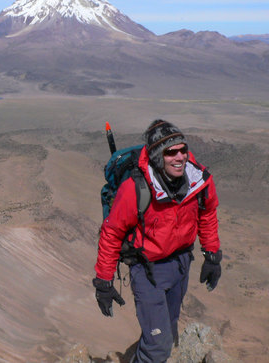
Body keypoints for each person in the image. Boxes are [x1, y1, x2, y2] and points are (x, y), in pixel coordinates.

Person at [93, 119, 222, 363]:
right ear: (156, 156)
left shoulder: (198, 180)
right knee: (158, 347)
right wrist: (103, 282)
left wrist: (212, 254)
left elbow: (207, 213)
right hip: (147, 271)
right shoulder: (135, 188)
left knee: (167, 331)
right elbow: (112, 233)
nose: (180, 156)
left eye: (183, 149)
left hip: (181, 264)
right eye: (170, 152)